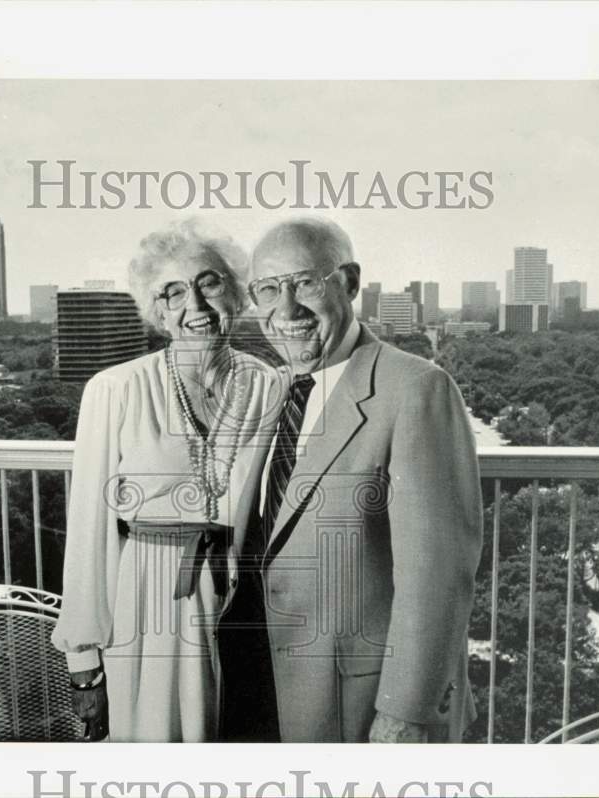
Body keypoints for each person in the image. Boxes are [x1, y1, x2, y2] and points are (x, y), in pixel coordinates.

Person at [229, 217, 483, 743]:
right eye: (268, 290)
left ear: (348, 281)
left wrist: (405, 712)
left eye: (304, 283)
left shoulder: (416, 389)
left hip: (360, 703)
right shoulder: (272, 390)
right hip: (264, 687)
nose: (286, 309)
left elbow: (437, 576)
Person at [51, 221, 280, 742]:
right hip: (151, 602)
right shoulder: (115, 390)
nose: (194, 305)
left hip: (248, 606)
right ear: (156, 312)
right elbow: (90, 529)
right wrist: (84, 658)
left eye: (209, 283)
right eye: (172, 292)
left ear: (236, 292)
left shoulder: (271, 385)